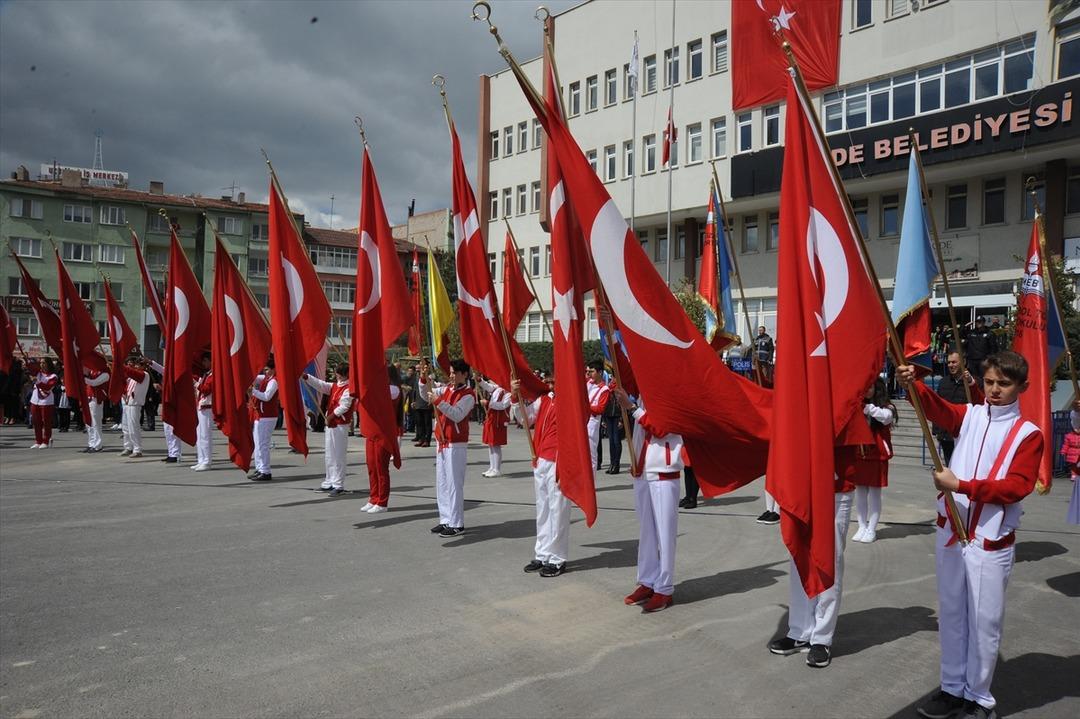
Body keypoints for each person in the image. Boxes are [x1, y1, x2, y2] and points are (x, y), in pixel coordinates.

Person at [898, 352, 1041, 719]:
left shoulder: (1029, 434)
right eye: (990, 382)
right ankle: (950, 690)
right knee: (951, 615)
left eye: (1004, 384)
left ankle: (978, 697)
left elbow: (1015, 487)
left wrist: (960, 484)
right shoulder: (972, 414)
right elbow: (939, 409)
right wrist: (912, 383)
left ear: (1021, 387)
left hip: (990, 542)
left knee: (984, 622)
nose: (994, 390)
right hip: (951, 533)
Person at [768, 411, 864, 669]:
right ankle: (799, 630)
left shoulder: (844, 393)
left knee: (829, 560)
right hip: (803, 486)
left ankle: (821, 637)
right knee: (798, 555)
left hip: (835, 490)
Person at [614, 389, 684, 613]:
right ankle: (647, 581)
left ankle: (664, 588)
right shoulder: (646, 392)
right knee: (647, 533)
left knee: (665, 534)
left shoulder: (672, 394)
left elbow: (662, 429)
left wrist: (632, 409)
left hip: (663, 472)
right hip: (642, 471)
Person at [512, 374, 569, 578]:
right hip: (541, 459)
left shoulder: (572, 401)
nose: (551, 385)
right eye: (551, 381)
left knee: (558, 510)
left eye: (555, 381)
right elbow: (523, 419)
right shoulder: (544, 399)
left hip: (560, 461)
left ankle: (557, 558)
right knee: (543, 509)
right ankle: (543, 553)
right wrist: (515, 397)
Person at [420, 359, 475, 538]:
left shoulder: (468, 395)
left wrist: (439, 403)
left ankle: (457, 523)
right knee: (442, 484)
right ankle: (446, 519)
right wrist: (423, 378)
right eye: (450, 372)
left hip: (456, 443)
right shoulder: (446, 389)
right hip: (442, 442)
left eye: (455, 372)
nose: (451, 375)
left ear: (464, 374)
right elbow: (425, 394)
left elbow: (457, 415)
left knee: (454, 485)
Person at [852, 379, 897, 544]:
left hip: (877, 455)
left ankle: (872, 529)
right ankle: (862, 526)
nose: (867, 390)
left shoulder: (887, 406)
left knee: (874, 494)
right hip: (860, 454)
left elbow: (886, 418)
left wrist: (869, 409)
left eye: (870, 386)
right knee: (860, 493)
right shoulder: (858, 405)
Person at [302, 364, 354, 497]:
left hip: (340, 424)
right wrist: (307, 377)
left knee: (339, 455)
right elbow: (321, 385)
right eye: (337, 373)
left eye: (339, 373)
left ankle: (338, 484)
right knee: (330, 454)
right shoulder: (335, 386)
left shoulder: (349, 388)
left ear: (346, 374)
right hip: (330, 424)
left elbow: (345, 406)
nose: (337, 375)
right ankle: (329, 481)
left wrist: (331, 415)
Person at [362, 364, 403, 513]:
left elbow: (376, 394)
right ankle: (373, 498)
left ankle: (382, 501)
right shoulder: (382, 387)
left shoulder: (394, 389)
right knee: (371, 467)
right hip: (372, 431)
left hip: (384, 433)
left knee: (381, 468)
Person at [934, 352, 983, 465]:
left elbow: (980, 405)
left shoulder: (975, 382)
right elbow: (939, 407)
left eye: (954, 362)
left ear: (963, 362)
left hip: (965, 435)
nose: (951, 365)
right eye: (949, 362)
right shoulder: (943, 383)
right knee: (950, 466)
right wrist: (937, 431)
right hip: (946, 436)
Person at [249, 357, 279, 482]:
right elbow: (255, 377)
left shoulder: (274, 381)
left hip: (267, 416)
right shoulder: (266, 378)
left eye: (267, 369)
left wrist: (253, 391)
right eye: (264, 369)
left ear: (273, 369)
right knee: (258, 444)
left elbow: (267, 397)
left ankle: (266, 471)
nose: (265, 372)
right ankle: (260, 468)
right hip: (260, 415)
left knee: (263, 444)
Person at [147, 359, 182, 464]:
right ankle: (171, 452)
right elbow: (163, 370)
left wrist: (161, 388)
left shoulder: (177, 376)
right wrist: (151, 363)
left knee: (172, 431)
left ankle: (175, 454)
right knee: (167, 431)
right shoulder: (168, 374)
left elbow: (173, 391)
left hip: (174, 406)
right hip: (167, 405)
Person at [477, 377, 512, 477]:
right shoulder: (497, 388)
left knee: (496, 445)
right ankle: (492, 467)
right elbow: (488, 387)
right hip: (491, 419)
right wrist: (479, 380)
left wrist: (488, 403)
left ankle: (497, 469)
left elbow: (502, 405)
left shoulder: (508, 393)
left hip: (499, 422)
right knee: (491, 444)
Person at [120, 354, 150, 458]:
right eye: (137, 364)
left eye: (140, 364)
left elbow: (132, 373)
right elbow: (125, 385)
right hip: (128, 403)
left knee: (133, 427)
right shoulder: (133, 377)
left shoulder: (144, 375)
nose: (137, 366)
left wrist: (120, 366)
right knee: (126, 427)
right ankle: (128, 447)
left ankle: (137, 449)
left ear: (145, 366)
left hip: (135, 405)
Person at [585, 360, 611, 472]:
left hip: (592, 424)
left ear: (600, 372)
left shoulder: (605, 390)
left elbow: (600, 409)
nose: (590, 374)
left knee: (591, 457)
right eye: (588, 371)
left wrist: (585, 405)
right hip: (582, 422)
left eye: (592, 371)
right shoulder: (588, 383)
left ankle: (591, 485)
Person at [29, 357, 57, 449]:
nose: (42, 364)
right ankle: (38, 441)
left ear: (49, 364)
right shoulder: (38, 373)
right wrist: (27, 360)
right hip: (35, 400)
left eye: (44, 363)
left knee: (46, 422)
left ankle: (46, 440)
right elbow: (31, 368)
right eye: (41, 363)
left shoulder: (53, 376)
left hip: (46, 402)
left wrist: (36, 381)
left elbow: (47, 387)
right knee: (36, 422)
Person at [192, 353, 214, 471]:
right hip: (201, 406)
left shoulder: (213, 375)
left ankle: (207, 461)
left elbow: (206, 390)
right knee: (200, 435)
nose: (204, 363)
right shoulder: (206, 375)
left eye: (206, 361)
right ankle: (201, 459)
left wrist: (195, 384)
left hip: (208, 407)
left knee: (205, 435)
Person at [962, 316, 999, 382]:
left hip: (983, 361)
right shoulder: (971, 332)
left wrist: (989, 360)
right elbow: (960, 334)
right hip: (972, 360)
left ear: (984, 322)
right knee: (973, 378)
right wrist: (965, 326)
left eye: (980, 322)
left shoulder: (989, 333)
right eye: (977, 322)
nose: (979, 323)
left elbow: (993, 348)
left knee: (983, 378)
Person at [82, 366, 110, 453]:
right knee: (89, 423)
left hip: (96, 399)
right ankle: (91, 443)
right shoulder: (91, 371)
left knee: (96, 423)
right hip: (88, 398)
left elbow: (94, 383)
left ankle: (98, 445)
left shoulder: (105, 373)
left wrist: (82, 378)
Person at [1062, 406, 1080, 526]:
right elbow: (1066, 445)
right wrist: (1064, 452)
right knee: (1074, 467)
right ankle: (1074, 474)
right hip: (1073, 456)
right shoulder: (1070, 435)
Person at [603, 376, 624, 474]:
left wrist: (621, 420)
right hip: (608, 415)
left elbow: (622, 404)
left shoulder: (619, 387)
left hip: (616, 416)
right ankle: (612, 464)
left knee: (616, 441)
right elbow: (605, 402)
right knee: (611, 441)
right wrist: (603, 419)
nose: (613, 380)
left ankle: (616, 465)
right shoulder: (608, 387)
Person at [412, 359, 434, 448]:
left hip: (426, 402)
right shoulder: (417, 375)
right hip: (418, 402)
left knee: (427, 423)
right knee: (419, 423)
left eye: (423, 364)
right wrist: (413, 400)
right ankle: (421, 438)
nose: (421, 366)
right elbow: (415, 389)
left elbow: (433, 388)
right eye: (420, 364)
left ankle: (427, 440)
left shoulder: (431, 376)